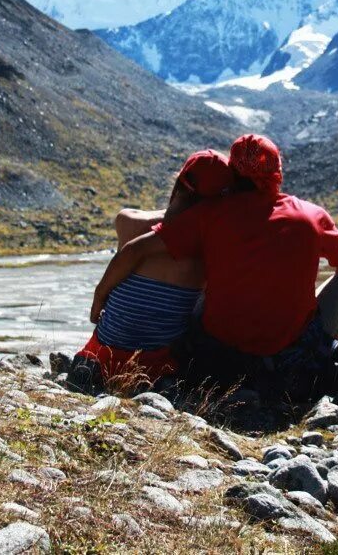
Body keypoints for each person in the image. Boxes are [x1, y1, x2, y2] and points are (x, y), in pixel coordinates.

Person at [97, 133, 338, 413]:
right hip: (289, 364)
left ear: (233, 173)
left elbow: (138, 248)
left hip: (217, 364)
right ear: (277, 171)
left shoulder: (210, 214)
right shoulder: (311, 216)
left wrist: (99, 302)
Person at [66, 149, 234, 395]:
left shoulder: (130, 224)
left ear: (178, 185)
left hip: (101, 357)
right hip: (156, 368)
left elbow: (132, 227)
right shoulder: (214, 247)